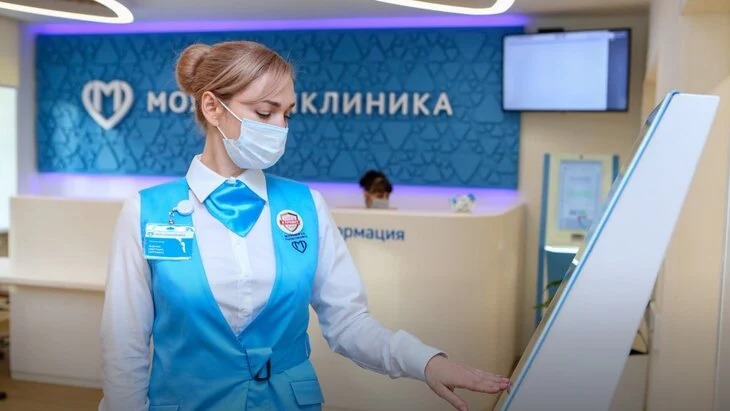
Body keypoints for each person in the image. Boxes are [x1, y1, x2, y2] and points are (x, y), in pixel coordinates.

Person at [99, 40, 510, 411]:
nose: (280, 127)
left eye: (287, 114)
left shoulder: (306, 206)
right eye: (265, 112)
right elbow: (124, 348)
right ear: (212, 108)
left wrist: (426, 362)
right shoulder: (146, 212)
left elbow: (348, 323)